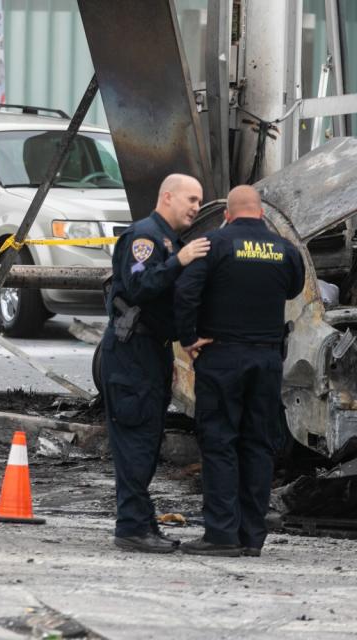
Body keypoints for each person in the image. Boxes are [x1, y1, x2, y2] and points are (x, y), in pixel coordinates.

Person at [174, 185, 305, 557]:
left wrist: (188, 338)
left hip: (222, 357)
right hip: (266, 361)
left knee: (219, 442)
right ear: (262, 213)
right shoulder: (285, 250)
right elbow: (294, 289)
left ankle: (221, 534)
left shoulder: (213, 244)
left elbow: (185, 293)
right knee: (258, 445)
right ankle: (252, 536)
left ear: (228, 214)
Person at [100, 173, 210, 553]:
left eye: (199, 201)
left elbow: (170, 302)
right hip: (132, 355)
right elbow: (138, 287)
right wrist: (178, 260)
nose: (196, 207)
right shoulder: (145, 237)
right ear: (167, 196)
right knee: (135, 441)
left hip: (153, 352)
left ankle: (141, 523)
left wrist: (189, 337)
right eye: (191, 199)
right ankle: (131, 528)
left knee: (146, 439)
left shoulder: (169, 240)